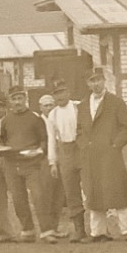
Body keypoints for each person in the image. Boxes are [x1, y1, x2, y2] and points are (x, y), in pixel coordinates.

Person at [77, 68, 127, 242]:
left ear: (104, 80)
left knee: (118, 190)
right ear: (88, 84)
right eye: (91, 81)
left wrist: (115, 145)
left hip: (111, 155)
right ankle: (98, 232)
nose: (95, 84)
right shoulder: (82, 105)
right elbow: (79, 130)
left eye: (98, 80)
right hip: (91, 156)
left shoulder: (116, 102)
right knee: (94, 192)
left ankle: (126, 230)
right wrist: (84, 145)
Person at [0, 86, 49, 242]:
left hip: (31, 163)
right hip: (12, 164)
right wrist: (1, 149)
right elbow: (2, 140)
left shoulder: (35, 118)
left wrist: (39, 150)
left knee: (38, 196)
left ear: (25, 99)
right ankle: (28, 230)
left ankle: (46, 231)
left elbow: (43, 140)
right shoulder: (6, 120)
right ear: (10, 101)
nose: (17, 102)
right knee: (18, 198)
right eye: (14, 99)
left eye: (20, 98)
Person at [45, 79, 86, 242]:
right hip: (65, 153)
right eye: (56, 93)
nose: (60, 96)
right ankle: (79, 230)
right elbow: (51, 140)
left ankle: (98, 229)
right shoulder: (52, 114)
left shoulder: (78, 107)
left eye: (62, 92)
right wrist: (52, 162)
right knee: (71, 192)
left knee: (90, 187)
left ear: (68, 92)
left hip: (81, 150)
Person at [0, 95, 20, 242]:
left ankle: (23, 229)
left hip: (11, 162)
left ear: (5, 108)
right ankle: (6, 231)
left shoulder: (11, 121)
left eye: (1, 106)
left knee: (18, 196)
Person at [35, 92, 62, 240]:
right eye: (45, 105)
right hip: (44, 160)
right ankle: (47, 228)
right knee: (46, 194)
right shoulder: (39, 121)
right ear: (40, 107)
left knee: (58, 194)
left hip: (61, 158)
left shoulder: (58, 116)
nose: (49, 108)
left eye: (51, 104)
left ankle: (55, 227)